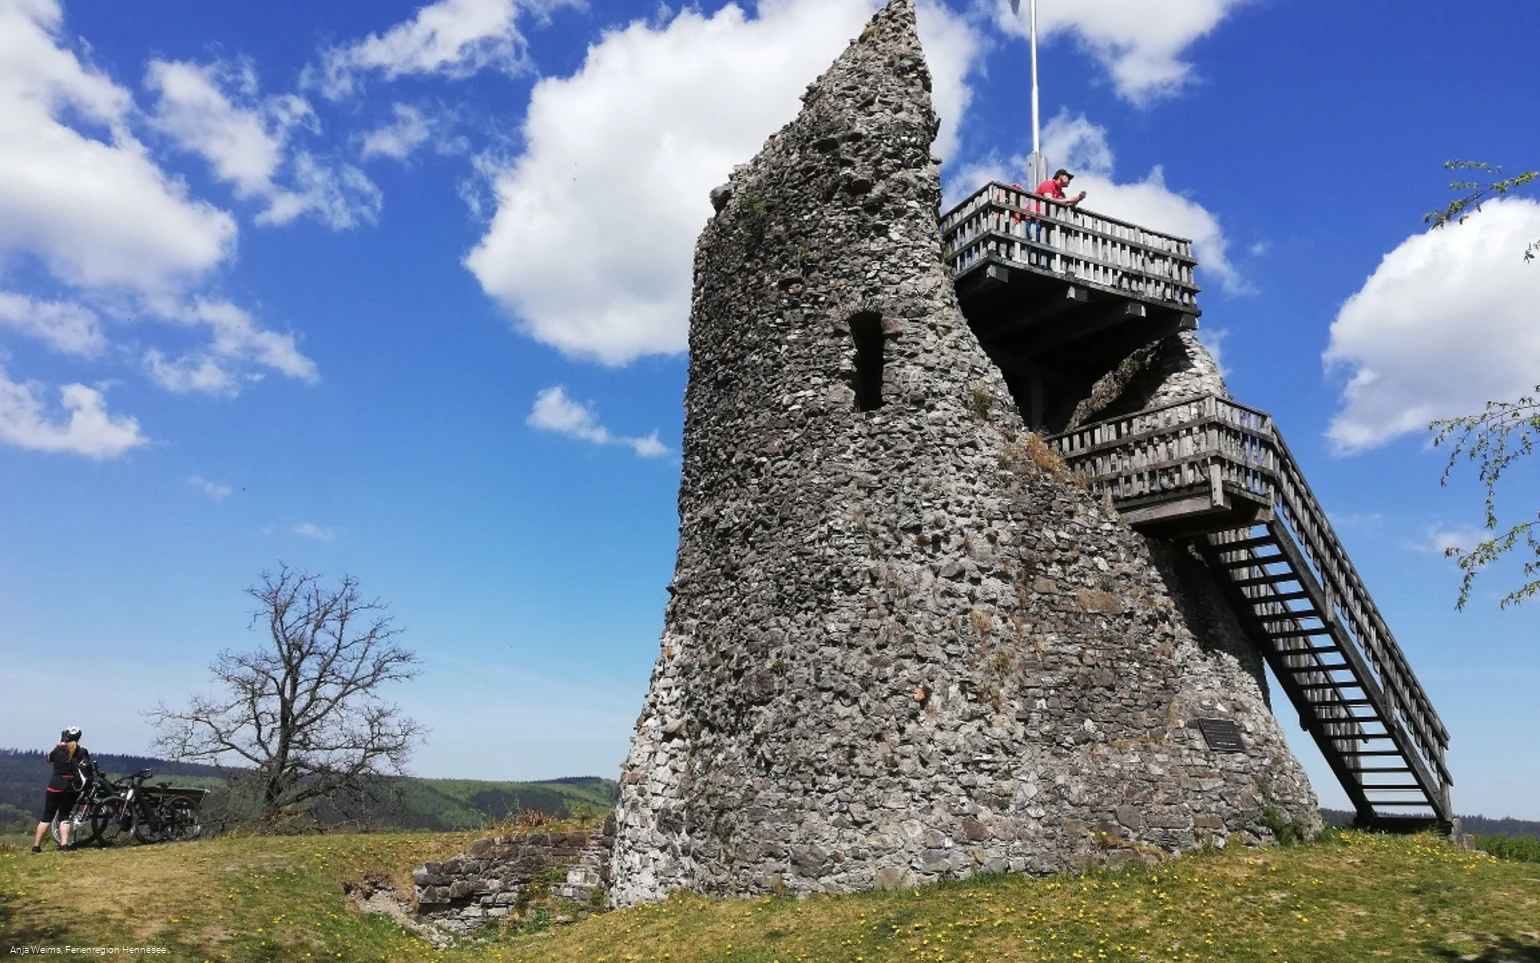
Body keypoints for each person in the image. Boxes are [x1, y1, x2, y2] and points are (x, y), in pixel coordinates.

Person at [33, 727, 90, 853]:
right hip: (71, 788)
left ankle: (36, 846)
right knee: (64, 816)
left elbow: (49, 759)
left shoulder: (58, 750)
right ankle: (64, 844)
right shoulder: (82, 751)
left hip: (55, 786)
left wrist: (59, 743)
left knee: (47, 817)